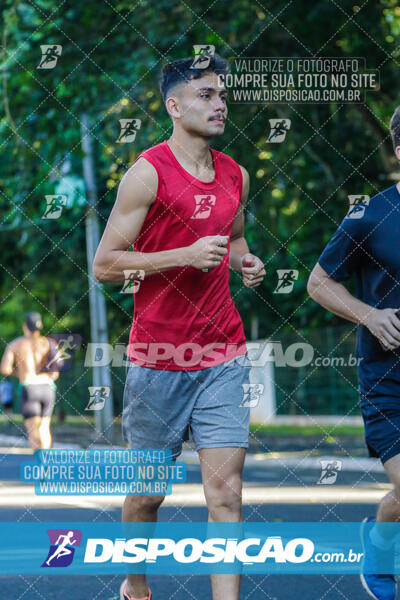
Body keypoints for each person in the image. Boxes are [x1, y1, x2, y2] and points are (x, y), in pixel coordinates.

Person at [93, 54, 266, 600]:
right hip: (157, 359)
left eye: (222, 94)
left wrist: (246, 262)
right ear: (174, 105)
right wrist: (181, 255)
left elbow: (234, 239)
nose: (220, 104)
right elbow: (104, 265)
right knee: (148, 495)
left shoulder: (235, 172)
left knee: (227, 494)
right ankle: (136, 585)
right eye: (206, 95)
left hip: (223, 355)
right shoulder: (147, 173)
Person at [307, 106, 400, 600]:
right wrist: (370, 315)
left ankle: (378, 537)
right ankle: (381, 551)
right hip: (388, 380)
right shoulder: (371, 215)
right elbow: (317, 283)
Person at [0, 312, 59, 450]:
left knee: (33, 431)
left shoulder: (15, 344)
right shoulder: (50, 343)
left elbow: (4, 369)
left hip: (29, 386)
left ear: (24, 326)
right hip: (47, 387)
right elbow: (55, 373)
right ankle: (46, 464)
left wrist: (19, 373)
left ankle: (39, 464)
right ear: (40, 326)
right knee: (44, 428)